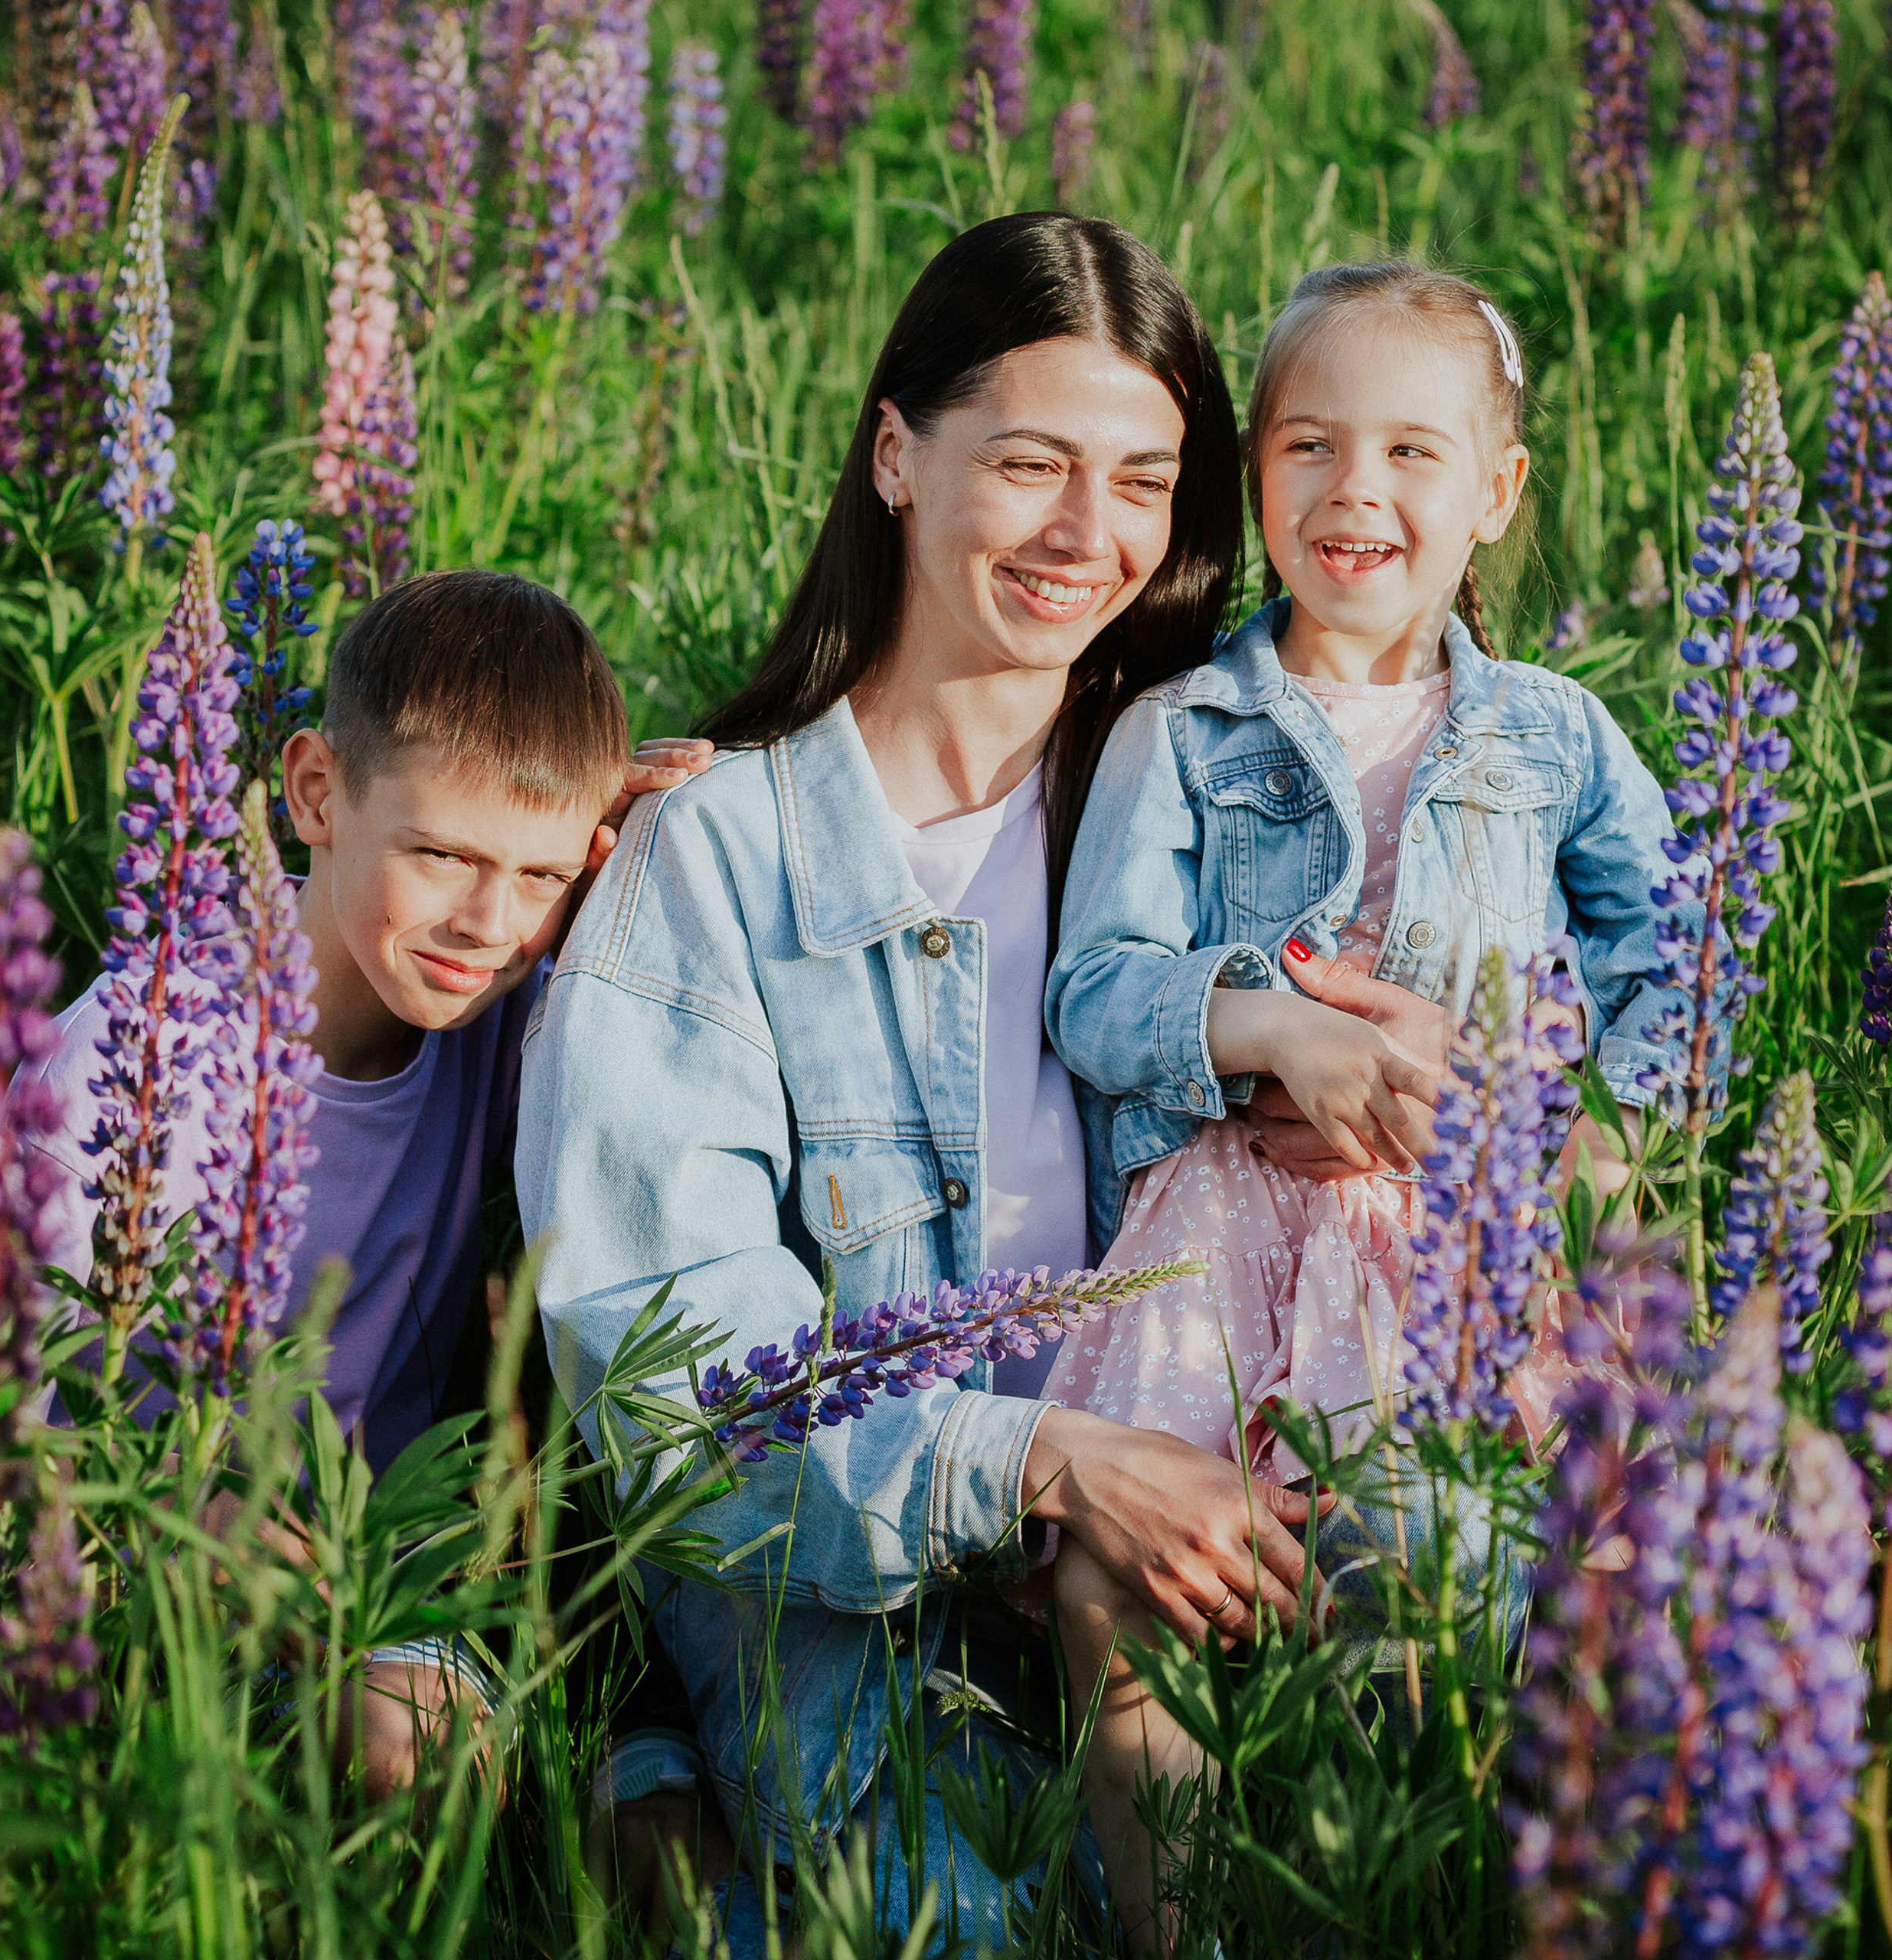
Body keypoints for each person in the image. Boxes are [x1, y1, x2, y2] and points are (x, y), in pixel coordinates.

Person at [515, 212, 1327, 1950]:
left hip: (1201, 1569)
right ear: (895, 450)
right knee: (954, 1927)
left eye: (1142, 479)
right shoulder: (712, 867)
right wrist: (1036, 1457)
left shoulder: (1217, 821)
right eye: (1029, 461)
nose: (1086, 534)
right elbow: (674, 1394)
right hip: (854, 1612)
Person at [1040, 260, 1697, 1952]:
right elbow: (1094, 983)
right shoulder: (1178, 724)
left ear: (1496, 489)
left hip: (1462, 1232)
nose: (1355, 493)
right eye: (1308, 446)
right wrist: (1262, 1027)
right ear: (1250, 473)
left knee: (1421, 1569)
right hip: (1219, 1229)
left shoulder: (1548, 733)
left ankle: (1388, 1891)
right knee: (1130, 1585)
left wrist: (1580, 1118)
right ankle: (1164, 1923)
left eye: (1413, 452)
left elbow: (1680, 947)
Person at [23, 567, 707, 1798]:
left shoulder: (497, 1009)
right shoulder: (134, 1062)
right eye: (441, 854)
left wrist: (666, 837)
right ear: (316, 793)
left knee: (425, 1745)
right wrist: (159, 1515)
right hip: (113, 1570)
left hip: (373, 1569)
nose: (486, 923)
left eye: (542, 878)